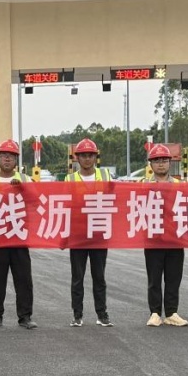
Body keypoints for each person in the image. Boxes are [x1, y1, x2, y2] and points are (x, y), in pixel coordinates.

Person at [0, 139, 36, 329]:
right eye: (4, 155)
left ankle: (25, 317)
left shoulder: (25, 179)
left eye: (11, 156)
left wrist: (23, 189)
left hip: (19, 236)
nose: (7, 159)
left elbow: (37, 202)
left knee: (24, 280)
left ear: (16, 160)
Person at [65, 138, 113, 328]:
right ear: (77, 158)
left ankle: (102, 314)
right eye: (83, 155)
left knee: (99, 277)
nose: (87, 159)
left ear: (95, 157)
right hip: (78, 235)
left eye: (90, 155)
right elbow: (64, 205)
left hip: (99, 233)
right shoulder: (70, 179)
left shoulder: (105, 175)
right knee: (77, 278)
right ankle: (77, 315)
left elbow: (117, 197)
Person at [142, 145, 187, 327]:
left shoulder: (179, 185)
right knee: (154, 278)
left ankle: (171, 312)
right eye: (157, 160)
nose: (161, 164)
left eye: (164, 160)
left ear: (170, 163)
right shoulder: (143, 185)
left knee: (173, 277)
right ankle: (154, 313)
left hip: (175, 238)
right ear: (151, 164)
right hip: (153, 238)